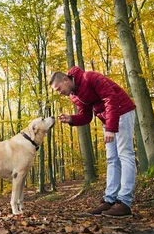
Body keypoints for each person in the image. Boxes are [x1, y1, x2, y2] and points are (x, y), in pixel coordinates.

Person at [49, 66, 136, 218]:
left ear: (65, 80)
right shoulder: (74, 96)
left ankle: (125, 202)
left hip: (121, 110)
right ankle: (109, 200)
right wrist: (71, 119)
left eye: (58, 88)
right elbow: (86, 116)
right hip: (108, 119)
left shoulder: (90, 77)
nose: (59, 92)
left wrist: (110, 127)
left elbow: (111, 98)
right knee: (112, 159)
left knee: (125, 155)